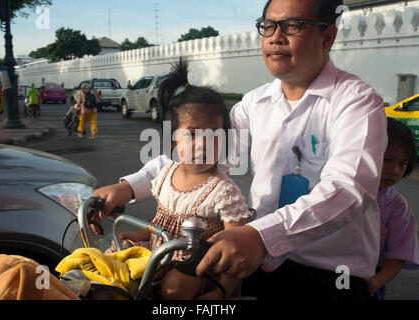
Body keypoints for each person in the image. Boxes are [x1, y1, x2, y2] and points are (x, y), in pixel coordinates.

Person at [92, 0, 388, 300]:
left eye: (292, 26)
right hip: (258, 262)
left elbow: (350, 189)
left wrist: (262, 235)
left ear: (327, 37)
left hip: (327, 275)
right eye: (268, 26)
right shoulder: (253, 104)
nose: (275, 37)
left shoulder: (356, 102)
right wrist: (130, 186)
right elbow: (196, 156)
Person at [103, 60, 253, 300]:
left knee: (174, 286)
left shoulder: (224, 191)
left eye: (214, 135)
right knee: (110, 263)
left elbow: (237, 249)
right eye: (192, 134)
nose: (203, 143)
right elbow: (164, 227)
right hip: (160, 254)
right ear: (173, 141)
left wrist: (221, 292)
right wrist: (141, 235)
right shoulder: (164, 176)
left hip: (198, 268)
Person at [365, 117, 419, 300]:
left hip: (369, 280)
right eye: (387, 160)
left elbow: (399, 256)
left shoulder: (398, 208)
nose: (394, 170)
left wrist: (376, 282)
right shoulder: (342, 189)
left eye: (402, 164)